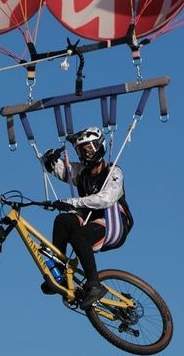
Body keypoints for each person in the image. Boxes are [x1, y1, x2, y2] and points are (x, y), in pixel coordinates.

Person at [41, 127, 134, 308]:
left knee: (79, 237)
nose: (85, 153)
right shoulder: (81, 172)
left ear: (99, 146)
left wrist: (73, 202)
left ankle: (94, 285)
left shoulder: (114, 173)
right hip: (90, 218)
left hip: (113, 221)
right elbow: (56, 168)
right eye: (81, 150)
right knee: (62, 221)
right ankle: (59, 273)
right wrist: (49, 158)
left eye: (89, 148)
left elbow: (106, 199)